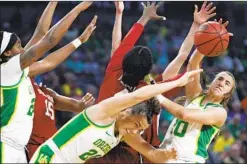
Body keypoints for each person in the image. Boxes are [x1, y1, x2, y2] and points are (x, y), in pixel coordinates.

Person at [88, 1, 217, 163]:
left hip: (100, 149)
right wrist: (197, 28)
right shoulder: (152, 90)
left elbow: (118, 48)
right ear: (148, 70)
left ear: (124, 62)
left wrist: (141, 16)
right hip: (138, 154)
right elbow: (183, 57)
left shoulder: (114, 73)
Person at [30, 69, 203, 163]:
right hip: (50, 158)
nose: (136, 132)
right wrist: (178, 82)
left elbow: (151, 153)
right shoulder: (105, 112)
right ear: (127, 111)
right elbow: (138, 96)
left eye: (141, 130)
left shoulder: (125, 132)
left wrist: (166, 156)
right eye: (137, 125)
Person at [0, 2, 92, 163]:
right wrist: (77, 9)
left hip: (20, 148)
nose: (23, 50)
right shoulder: (7, 69)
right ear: (7, 52)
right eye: (19, 46)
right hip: (5, 145)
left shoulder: (19, 70)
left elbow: (42, 36)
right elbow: (49, 40)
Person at [155, 19, 235, 163]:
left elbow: (184, 114)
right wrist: (209, 38)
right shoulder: (195, 96)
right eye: (219, 79)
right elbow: (193, 63)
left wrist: (158, 96)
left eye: (227, 83)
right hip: (166, 155)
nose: (221, 83)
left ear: (227, 94)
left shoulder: (219, 113)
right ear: (211, 83)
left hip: (189, 160)